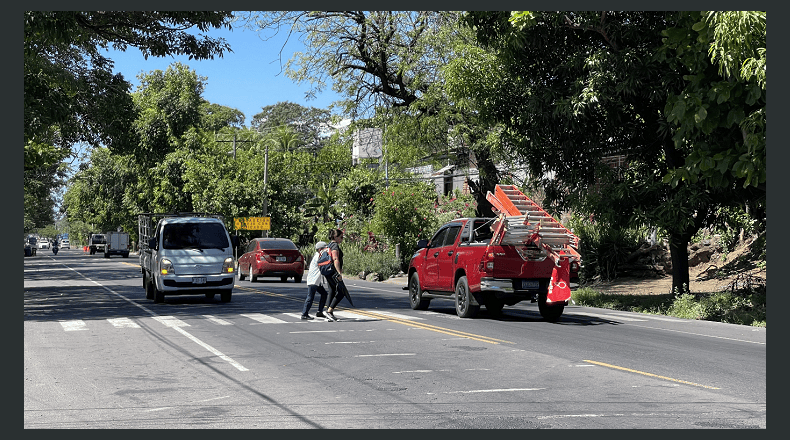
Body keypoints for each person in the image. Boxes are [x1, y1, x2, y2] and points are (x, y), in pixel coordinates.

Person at [300, 241, 330, 320]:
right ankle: (304, 314)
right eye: (325, 249)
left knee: (324, 294)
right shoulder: (318, 257)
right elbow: (325, 265)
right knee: (310, 297)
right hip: (313, 280)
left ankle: (320, 311)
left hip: (317, 281)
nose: (326, 250)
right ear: (320, 249)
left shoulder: (319, 255)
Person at [323, 229, 346, 322]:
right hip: (333, 272)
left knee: (332, 290)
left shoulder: (329, 245)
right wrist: (339, 273)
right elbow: (335, 258)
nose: (342, 239)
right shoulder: (335, 245)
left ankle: (329, 312)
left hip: (328, 271)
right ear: (335, 237)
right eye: (341, 237)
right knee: (341, 291)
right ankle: (329, 311)